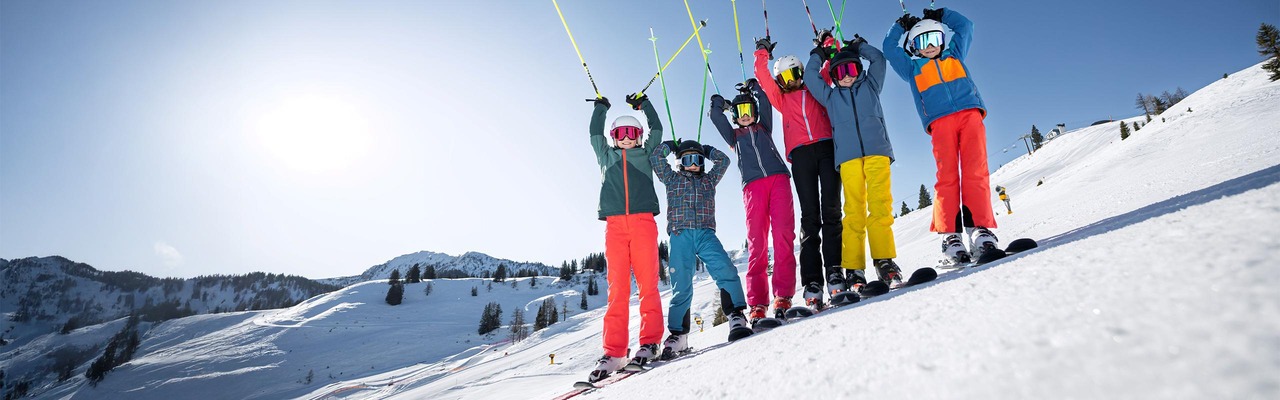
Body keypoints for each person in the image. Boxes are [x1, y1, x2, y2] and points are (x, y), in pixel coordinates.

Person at [884, 7, 999, 263]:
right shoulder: (912, 68)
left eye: (934, 39)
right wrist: (899, 27)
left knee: (975, 171)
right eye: (921, 42)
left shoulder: (955, 55)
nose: (929, 46)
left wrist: (942, 15)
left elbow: (965, 26)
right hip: (940, 122)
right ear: (913, 47)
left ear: (942, 40)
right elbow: (889, 49)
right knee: (947, 176)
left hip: (970, 115)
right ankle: (950, 236)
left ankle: (979, 229)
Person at [803, 32, 904, 289]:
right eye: (840, 72)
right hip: (848, 158)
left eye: (851, 69)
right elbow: (810, 77)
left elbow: (879, 60)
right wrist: (819, 54)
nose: (846, 75)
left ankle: (884, 260)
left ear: (859, 69)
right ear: (834, 76)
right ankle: (854, 268)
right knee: (853, 211)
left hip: (877, 152)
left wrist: (860, 47)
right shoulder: (830, 97)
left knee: (880, 206)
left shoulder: (871, 86)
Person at [753, 36, 841, 309]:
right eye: (785, 78)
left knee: (832, 210)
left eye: (795, 73)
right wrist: (762, 52)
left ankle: (835, 271)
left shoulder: (816, 85)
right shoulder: (781, 99)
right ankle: (813, 281)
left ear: (803, 71)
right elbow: (762, 77)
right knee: (810, 216)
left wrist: (828, 43)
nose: (791, 81)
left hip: (827, 148)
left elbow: (832, 61)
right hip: (801, 155)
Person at [648, 140, 754, 360]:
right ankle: (679, 334)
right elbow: (656, 158)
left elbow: (723, 161)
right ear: (680, 163)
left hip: (705, 234)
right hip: (680, 235)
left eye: (697, 159)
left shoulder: (709, 180)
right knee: (681, 284)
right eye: (688, 159)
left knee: (725, 270)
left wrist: (707, 150)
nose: (693, 164)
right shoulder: (672, 179)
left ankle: (736, 316)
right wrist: (670, 146)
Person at [586, 92, 665, 382]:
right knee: (617, 289)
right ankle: (614, 352)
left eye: (632, 133)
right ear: (614, 137)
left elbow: (658, 129)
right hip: (615, 226)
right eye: (621, 134)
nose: (627, 138)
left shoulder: (646, 154)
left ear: (639, 136)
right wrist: (601, 108)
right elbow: (595, 133)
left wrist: (644, 105)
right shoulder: (606, 156)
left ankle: (650, 343)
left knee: (647, 284)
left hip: (643, 222)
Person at [709, 79, 797, 325]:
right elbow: (715, 116)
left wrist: (754, 87)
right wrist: (720, 103)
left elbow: (765, 100)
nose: (745, 115)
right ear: (735, 116)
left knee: (783, 234)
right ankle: (757, 303)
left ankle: (783, 296)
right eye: (740, 112)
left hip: (778, 180)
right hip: (752, 187)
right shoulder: (734, 137)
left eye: (748, 109)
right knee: (757, 242)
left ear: (755, 112)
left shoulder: (764, 127)